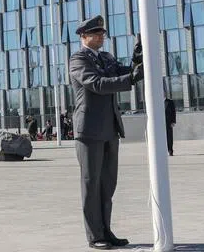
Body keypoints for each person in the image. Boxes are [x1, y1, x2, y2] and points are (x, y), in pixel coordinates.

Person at [69, 16, 143, 250]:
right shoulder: (78, 59)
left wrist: (138, 57)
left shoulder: (106, 57)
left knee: (107, 185)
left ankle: (106, 231)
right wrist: (130, 78)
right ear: (83, 36)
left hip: (110, 128)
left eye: (103, 33)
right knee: (91, 185)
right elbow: (97, 83)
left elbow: (126, 72)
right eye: (96, 33)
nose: (102, 37)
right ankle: (95, 236)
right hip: (89, 129)